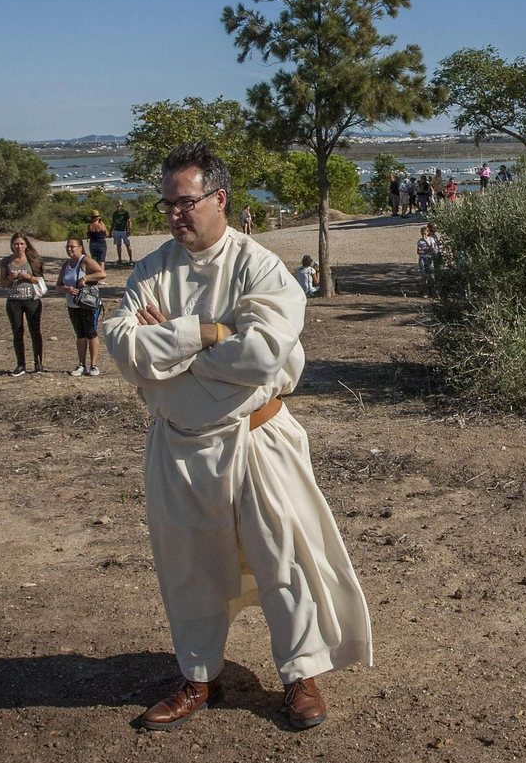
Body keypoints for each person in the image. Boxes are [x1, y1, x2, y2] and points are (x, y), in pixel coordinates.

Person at [100, 141, 371, 733]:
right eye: (167, 203)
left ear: (219, 199)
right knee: (189, 568)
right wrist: (208, 331)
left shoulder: (261, 267)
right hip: (179, 444)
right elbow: (123, 347)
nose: (174, 214)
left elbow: (264, 354)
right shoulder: (150, 270)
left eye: (186, 202)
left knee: (285, 559)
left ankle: (301, 674)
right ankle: (199, 676)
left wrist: (171, 342)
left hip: (256, 440)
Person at [59, 236, 108, 376]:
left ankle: (93, 365)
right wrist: (66, 289)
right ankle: (81, 365)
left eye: (72, 246)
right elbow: (58, 285)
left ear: (80, 247)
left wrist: (85, 278)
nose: (69, 249)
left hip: (88, 303)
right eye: (67, 247)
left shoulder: (86, 261)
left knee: (91, 333)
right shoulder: (66, 265)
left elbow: (102, 274)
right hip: (72, 304)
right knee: (80, 334)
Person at [1, 230, 46, 376]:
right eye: (16, 244)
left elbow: (40, 280)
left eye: (21, 244)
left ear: (26, 245)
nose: (19, 247)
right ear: (12, 246)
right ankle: (21, 364)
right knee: (18, 332)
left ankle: (38, 363)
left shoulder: (33, 260)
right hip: (14, 301)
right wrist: (10, 279)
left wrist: (28, 277)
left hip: (32, 300)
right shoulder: (6, 261)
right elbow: (2, 284)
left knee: (35, 331)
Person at [111, 201, 135, 266]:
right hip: (116, 230)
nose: (118, 207)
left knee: (127, 244)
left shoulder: (125, 213)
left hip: (124, 230)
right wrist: (111, 231)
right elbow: (113, 223)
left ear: (122, 206)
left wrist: (129, 229)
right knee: (118, 245)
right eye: (117, 206)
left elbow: (129, 221)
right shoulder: (115, 213)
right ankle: (120, 259)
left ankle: (130, 259)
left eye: (120, 206)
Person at [417, 224, 440, 291]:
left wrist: (426, 241)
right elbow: (418, 251)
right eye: (422, 234)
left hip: (430, 257)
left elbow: (431, 248)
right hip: (423, 258)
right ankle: (425, 289)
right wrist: (425, 252)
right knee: (424, 273)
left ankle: (433, 288)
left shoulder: (431, 239)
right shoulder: (420, 241)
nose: (423, 235)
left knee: (431, 272)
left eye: (425, 233)